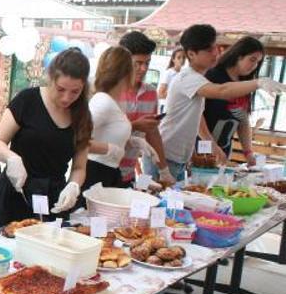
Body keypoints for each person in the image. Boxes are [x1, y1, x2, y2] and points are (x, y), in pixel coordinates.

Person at [0, 47, 93, 294]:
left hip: (51, 199)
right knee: (8, 275)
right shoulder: (28, 100)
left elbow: (79, 164)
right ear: (51, 79)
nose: (66, 97)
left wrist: (75, 187)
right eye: (61, 89)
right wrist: (12, 159)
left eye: (75, 92)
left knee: (43, 275)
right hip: (16, 191)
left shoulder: (81, 113)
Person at [155, 24, 286, 179]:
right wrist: (259, 83)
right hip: (167, 155)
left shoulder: (199, 77)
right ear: (191, 54)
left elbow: (241, 118)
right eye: (209, 50)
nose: (215, 52)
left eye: (215, 47)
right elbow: (222, 91)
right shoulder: (188, 77)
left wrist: (239, 150)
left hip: (181, 156)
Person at [83, 46, 157, 192]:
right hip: (96, 172)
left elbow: (107, 134)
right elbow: (76, 140)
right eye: (135, 65)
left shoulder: (113, 100)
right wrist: (109, 149)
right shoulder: (102, 101)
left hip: (109, 172)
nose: (140, 70)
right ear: (127, 72)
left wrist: (133, 141)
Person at [117, 31, 176, 186]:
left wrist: (164, 171)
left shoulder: (150, 93)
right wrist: (136, 125)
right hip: (103, 168)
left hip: (128, 173)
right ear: (122, 60)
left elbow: (152, 132)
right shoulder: (109, 91)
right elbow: (98, 133)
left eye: (147, 63)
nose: (143, 68)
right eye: (137, 63)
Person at [200, 36, 264, 166]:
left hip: (224, 149)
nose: (254, 66)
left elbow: (243, 121)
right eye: (252, 59)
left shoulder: (245, 84)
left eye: (258, 62)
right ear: (239, 56)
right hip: (201, 147)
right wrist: (212, 146)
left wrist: (248, 152)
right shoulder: (213, 75)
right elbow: (197, 116)